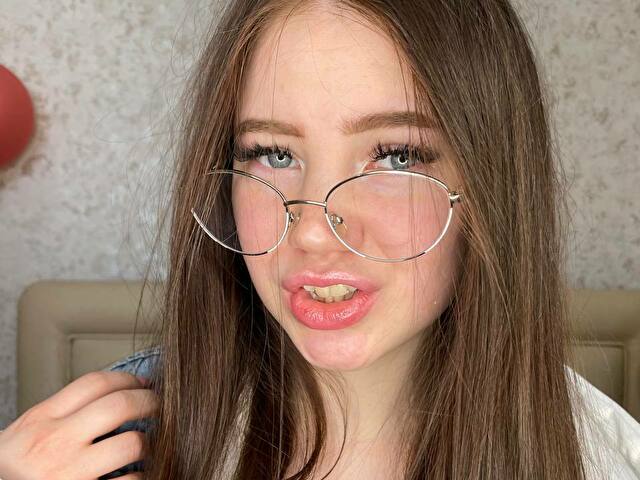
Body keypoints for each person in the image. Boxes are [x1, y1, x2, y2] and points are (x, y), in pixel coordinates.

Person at [0, 1, 639, 479]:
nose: (310, 230)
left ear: (492, 185)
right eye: (273, 153)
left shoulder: (600, 458)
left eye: (396, 156)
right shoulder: (108, 449)